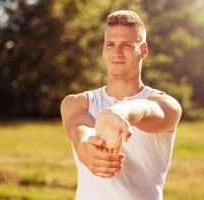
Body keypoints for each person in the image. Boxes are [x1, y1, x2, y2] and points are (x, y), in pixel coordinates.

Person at [60, 10, 182, 200]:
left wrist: (119, 113)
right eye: (110, 44)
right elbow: (79, 130)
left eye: (126, 45)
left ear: (143, 50)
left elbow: (145, 110)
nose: (116, 52)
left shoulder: (166, 105)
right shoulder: (76, 103)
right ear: (103, 50)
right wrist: (84, 148)